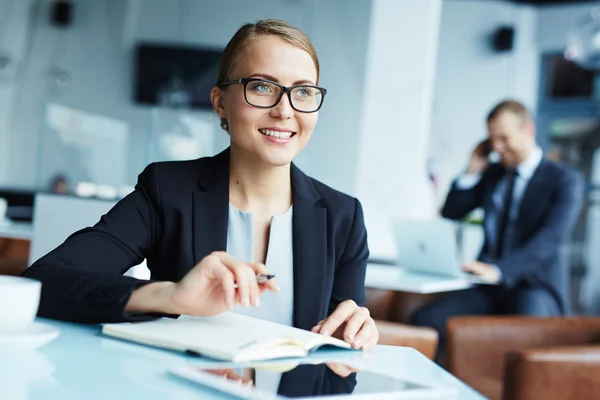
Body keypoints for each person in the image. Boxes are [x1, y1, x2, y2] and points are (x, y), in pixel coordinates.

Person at [24, 20, 378, 353]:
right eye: (262, 87)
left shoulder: (342, 218)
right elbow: (44, 282)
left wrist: (357, 331)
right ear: (220, 102)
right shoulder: (167, 190)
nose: (285, 111)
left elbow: (334, 355)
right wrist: (170, 297)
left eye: (303, 91)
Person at [411, 100, 584, 359]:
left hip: (534, 285)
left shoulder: (565, 180)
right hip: (488, 286)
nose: (498, 148)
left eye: (504, 138)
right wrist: (472, 169)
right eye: (492, 140)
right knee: (427, 318)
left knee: (522, 330)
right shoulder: (493, 174)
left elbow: (550, 240)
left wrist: (499, 270)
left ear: (528, 130)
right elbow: (452, 211)